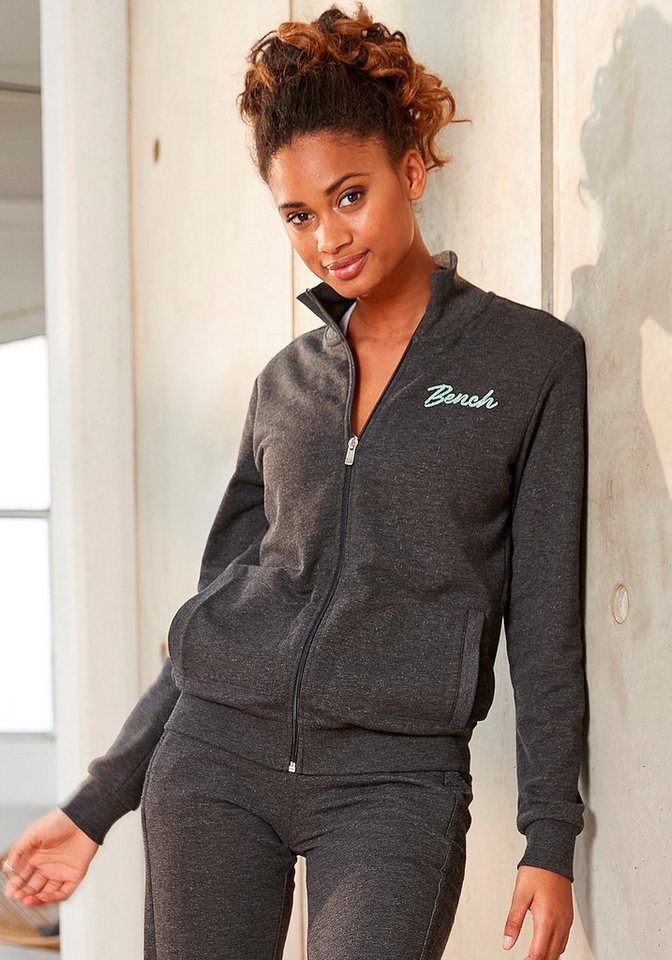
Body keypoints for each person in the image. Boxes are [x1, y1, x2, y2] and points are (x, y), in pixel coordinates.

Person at [1, 4, 588, 959]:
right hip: (214, 764)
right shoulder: (286, 383)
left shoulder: (529, 362)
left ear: (411, 170)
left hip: (395, 786)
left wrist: (548, 836)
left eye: (349, 196)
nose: (328, 239)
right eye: (299, 215)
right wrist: (98, 802)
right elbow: (218, 609)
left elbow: (548, 618)